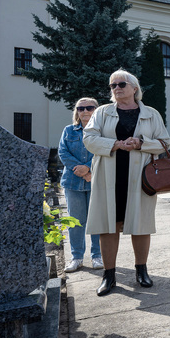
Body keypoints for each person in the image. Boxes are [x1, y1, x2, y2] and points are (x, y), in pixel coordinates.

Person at [84, 70, 170, 296]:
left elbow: (164, 142)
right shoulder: (102, 112)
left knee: (140, 224)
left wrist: (141, 143)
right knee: (108, 225)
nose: (116, 88)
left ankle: (141, 271)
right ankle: (109, 275)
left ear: (134, 88)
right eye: (112, 85)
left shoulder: (151, 114)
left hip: (140, 176)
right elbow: (89, 138)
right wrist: (115, 144)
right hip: (108, 175)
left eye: (121, 84)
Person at [59, 97, 102, 272]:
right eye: (80, 108)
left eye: (89, 108)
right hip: (72, 182)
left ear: (96, 110)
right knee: (75, 222)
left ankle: (97, 256)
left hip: (95, 181)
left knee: (97, 220)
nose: (85, 111)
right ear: (76, 112)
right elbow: (63, 152)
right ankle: (77, 258)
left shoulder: (102, 132)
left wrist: (89, 168)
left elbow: (104, 152)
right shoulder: (68, 131)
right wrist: (82, 170)